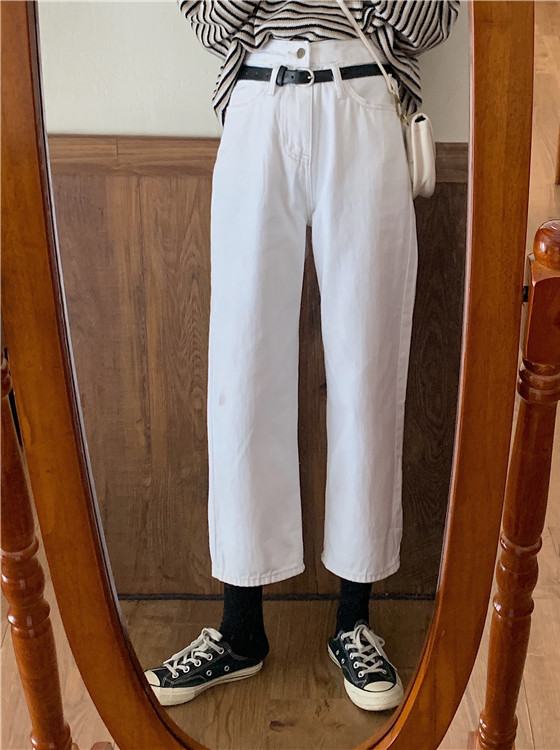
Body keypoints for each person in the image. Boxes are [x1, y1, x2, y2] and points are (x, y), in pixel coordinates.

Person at [144, 0, 459, 712]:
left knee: (368, 364)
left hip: (366, 100)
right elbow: (208, 20)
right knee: (240, 369)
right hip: (258, 102)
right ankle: (240, 628)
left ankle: (355, 620)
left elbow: (432, 21)